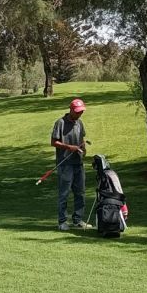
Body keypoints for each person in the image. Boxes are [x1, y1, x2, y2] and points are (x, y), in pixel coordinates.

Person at [50, 98, 91, 231]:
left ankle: (78, 220)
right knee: (64, 193)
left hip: (78, 163)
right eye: (77, 111)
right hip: (65, 164)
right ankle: (62, 222)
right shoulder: (60, 123)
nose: (80, 114)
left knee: (80, 193)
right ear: (71, 110)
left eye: (81, 111)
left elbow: (81, 138)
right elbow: (53, 142)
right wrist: (69, 147)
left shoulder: (80, 123)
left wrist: (83, 148)